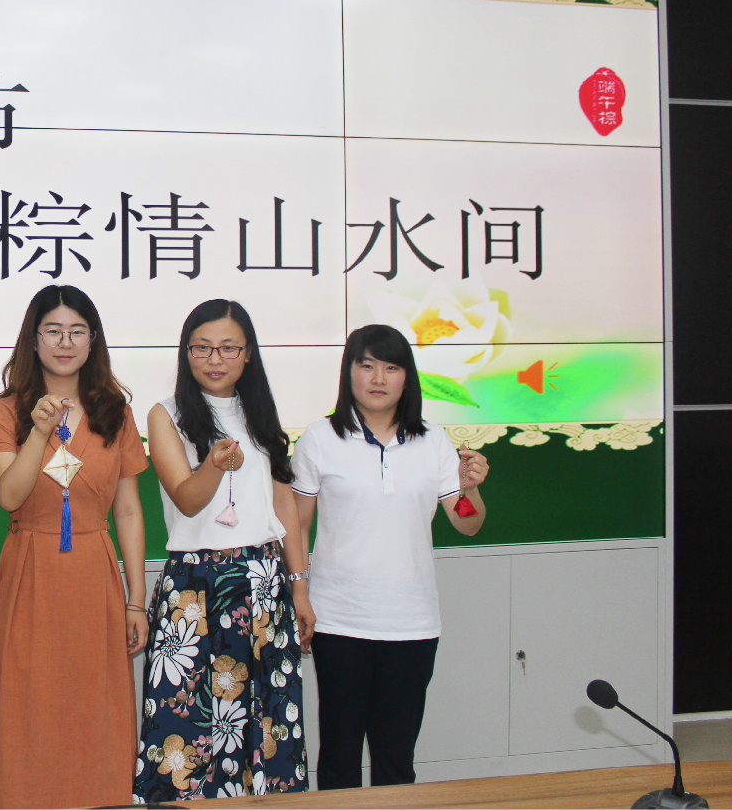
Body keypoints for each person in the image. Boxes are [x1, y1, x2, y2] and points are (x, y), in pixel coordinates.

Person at [0, 285, 148, 809]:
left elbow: (128, 511)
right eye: (53, 331)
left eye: (76, 331)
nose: (65, 343)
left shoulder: (115, 412)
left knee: (95, 705)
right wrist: (39, 431)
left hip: (94, 573)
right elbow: (9, 495)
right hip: (32, 569)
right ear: (33, 339)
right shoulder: (6, 410)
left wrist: (137, 600)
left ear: (93, 341)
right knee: (30, 705)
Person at [291, 323, 490, 790]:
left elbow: (466, 521)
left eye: (391, 367)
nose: (378, 378)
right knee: (338, 758)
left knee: (396, 760)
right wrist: (299, 591)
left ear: (407, 377)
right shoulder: (320, 438)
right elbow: (297, 525)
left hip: (411, 623)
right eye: (367, 365)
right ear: (349, 372)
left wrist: (470, 489)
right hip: (339, 620)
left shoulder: (434, 441)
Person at [135, 299, 313, 801]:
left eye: (228, 348)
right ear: (186, 352)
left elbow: (284, 504)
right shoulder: (166, 414)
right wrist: (213, 465)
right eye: (202, 348)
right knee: (186, 726)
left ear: (248, 353)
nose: (215, 359)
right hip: (195, 587)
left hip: (263, 582)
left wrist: (299, 587)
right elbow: (187, 500)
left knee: (266, 722)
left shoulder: (261, 413)